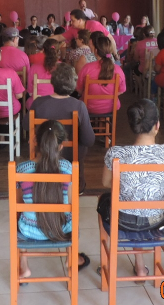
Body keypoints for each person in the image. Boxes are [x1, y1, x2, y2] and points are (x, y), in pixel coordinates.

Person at [101, 99, 164, 281]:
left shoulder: (116, 153)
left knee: (104, 200)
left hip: (124, 220)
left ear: (132, 125)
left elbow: (106, 182)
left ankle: (132, 263)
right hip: (156, 219)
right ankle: (140, 265)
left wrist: (128, 185)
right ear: (157, 125)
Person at [16, 120, 90, 278]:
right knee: (71, 216)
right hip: (61, 230)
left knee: (20, 217)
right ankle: (71, 257)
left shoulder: (21, 170)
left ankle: (24, 266)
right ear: (61, 146)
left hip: (29, 231)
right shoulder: (68, 168)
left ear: (36, 142)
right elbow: (72, 204)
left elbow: (18, 205)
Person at [29, 63, 95, 193]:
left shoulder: (38, 102)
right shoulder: (79, 106)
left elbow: (26, 126)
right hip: (71, 157)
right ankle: (76, 186)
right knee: (81, 145)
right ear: (73, 83)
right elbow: (89, 140)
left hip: (44, 152)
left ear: (53, 81)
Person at [77, 35, 126, 115]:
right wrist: (108, 95)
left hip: (89, 106)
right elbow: (121, 90)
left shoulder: (87, 68)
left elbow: (79, 89)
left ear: (96, 51)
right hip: (111, 106)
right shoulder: (118, 69)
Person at [27, 38, 59, 107]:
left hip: (37, 105)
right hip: (57, 105)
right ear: (58, 51)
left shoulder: (34, 67)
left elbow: (30, 92)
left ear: (43, 50)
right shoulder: (63, 67)